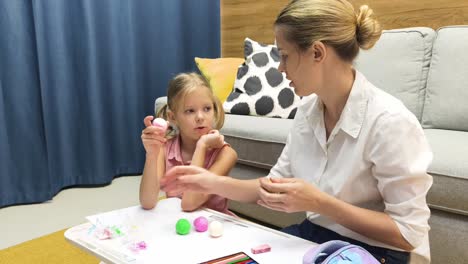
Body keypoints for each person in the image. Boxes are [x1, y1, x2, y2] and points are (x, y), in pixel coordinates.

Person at [161, 0, 433, 263]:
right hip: (317, 237)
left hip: (377, 251)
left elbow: (407, 235)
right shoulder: (307, 113)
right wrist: (205, 181)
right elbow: (270, 189)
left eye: (285, 55)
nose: (280, 67)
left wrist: (319, 202)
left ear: (317, 53)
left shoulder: (390, 122)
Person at [139, 72, 237, 215]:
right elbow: (147, 202)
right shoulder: (165, 149)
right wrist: (152, 154)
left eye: (207, 109)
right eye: (190, 111)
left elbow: (190, 203)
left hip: (213, 227)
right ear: (173, 117)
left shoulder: (226, 154)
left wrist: (201, 146)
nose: (200, 117)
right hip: (178, 225)